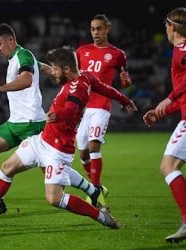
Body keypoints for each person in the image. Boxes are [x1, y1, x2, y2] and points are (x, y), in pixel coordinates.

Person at [0, 47, 137, 227]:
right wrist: (125, 100)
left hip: (58, 150)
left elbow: (71, 109)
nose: (53, 72)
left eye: (55, 69)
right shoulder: (86, 76)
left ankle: (101, 216)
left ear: (66, 70)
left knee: (54, 198)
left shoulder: (78, 87)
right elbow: (106, 88)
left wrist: (57, 116)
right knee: (7, 167)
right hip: (42, 140)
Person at [0, 23, 105, 216]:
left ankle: (93, 191)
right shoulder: (20, 57)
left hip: (31, 123)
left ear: (11, 40)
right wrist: (52, 72)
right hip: (15, 123)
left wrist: (0, 88)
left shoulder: (23, 55)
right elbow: (39, 66)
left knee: (52, 172)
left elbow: (26, 79)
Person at [142, 7, 186, 243]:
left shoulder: (183, 50)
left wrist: (169, 98)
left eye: (166, 25)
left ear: (172, 27)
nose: (166, 29)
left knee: (168, 166)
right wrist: (162, 111)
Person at [75, 14, 132, 206]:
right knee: (82, 153)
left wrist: (125, 81)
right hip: (84, 108)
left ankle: (96, 189)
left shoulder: (117, 54)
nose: (95, 32)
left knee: (93, 146)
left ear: (107, 29)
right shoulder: (82, 51)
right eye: (92, 29)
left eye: (99, 28)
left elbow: (125, 81)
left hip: (101, 106)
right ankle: (97, 186)